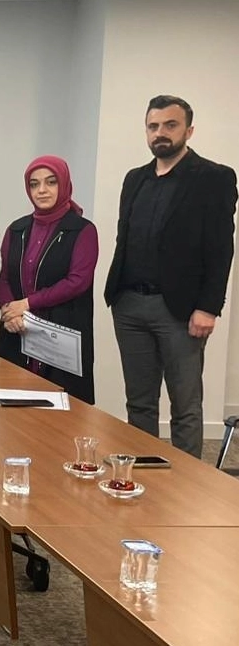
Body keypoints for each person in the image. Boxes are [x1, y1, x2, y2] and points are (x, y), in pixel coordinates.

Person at [105, 95, 237, 457]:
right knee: (139, 403)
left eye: (170, 125)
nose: (160, 132)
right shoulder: (135, 179)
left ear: (189, 130)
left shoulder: (214, 178)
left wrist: (208, 307)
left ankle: (188, 482)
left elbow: (220, 248)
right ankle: (143, 476)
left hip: (180, 310)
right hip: (129, 305)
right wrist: (116, 295)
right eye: (153, 126)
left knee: (186, 406)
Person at [0, 155, 98, 403]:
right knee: (11, 406)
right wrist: (9, 312)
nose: (41, 190)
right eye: (34, 184)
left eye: (51, 182)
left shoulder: (82, 229)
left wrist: (27, 303)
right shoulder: (17, 229)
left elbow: (77, 281)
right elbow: (2, 276)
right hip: (17, 330)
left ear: (64, 184)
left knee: (63, 407)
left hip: (62, 330)